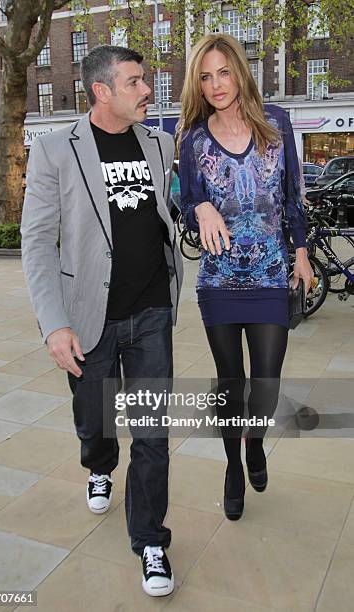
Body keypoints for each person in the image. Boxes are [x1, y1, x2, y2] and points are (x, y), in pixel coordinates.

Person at [21, 44, 183, 597]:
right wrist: (53, 324)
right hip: (88, 317)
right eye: (136, 82)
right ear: (102, 91)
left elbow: (171, 211)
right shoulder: (53, 151)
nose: (146, 91)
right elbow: (38, 243)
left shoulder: (160, 144)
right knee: (94, 421)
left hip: (153, 313)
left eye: (146, 80)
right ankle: (97, 462)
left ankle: (151, 541)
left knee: (154, 435)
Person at [178, 34, 313, 521]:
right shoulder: (193, 138)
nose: (215, 84)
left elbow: (293, 193)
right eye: (206, 76)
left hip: (272, 273)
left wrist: (301, 252)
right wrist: (200, 206)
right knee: (231, 384)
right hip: (219, 280)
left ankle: (254, 442)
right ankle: (234, 465)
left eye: (223, 72)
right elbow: (187, 205)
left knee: (267, 386)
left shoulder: (276, 124)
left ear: (240, 71)